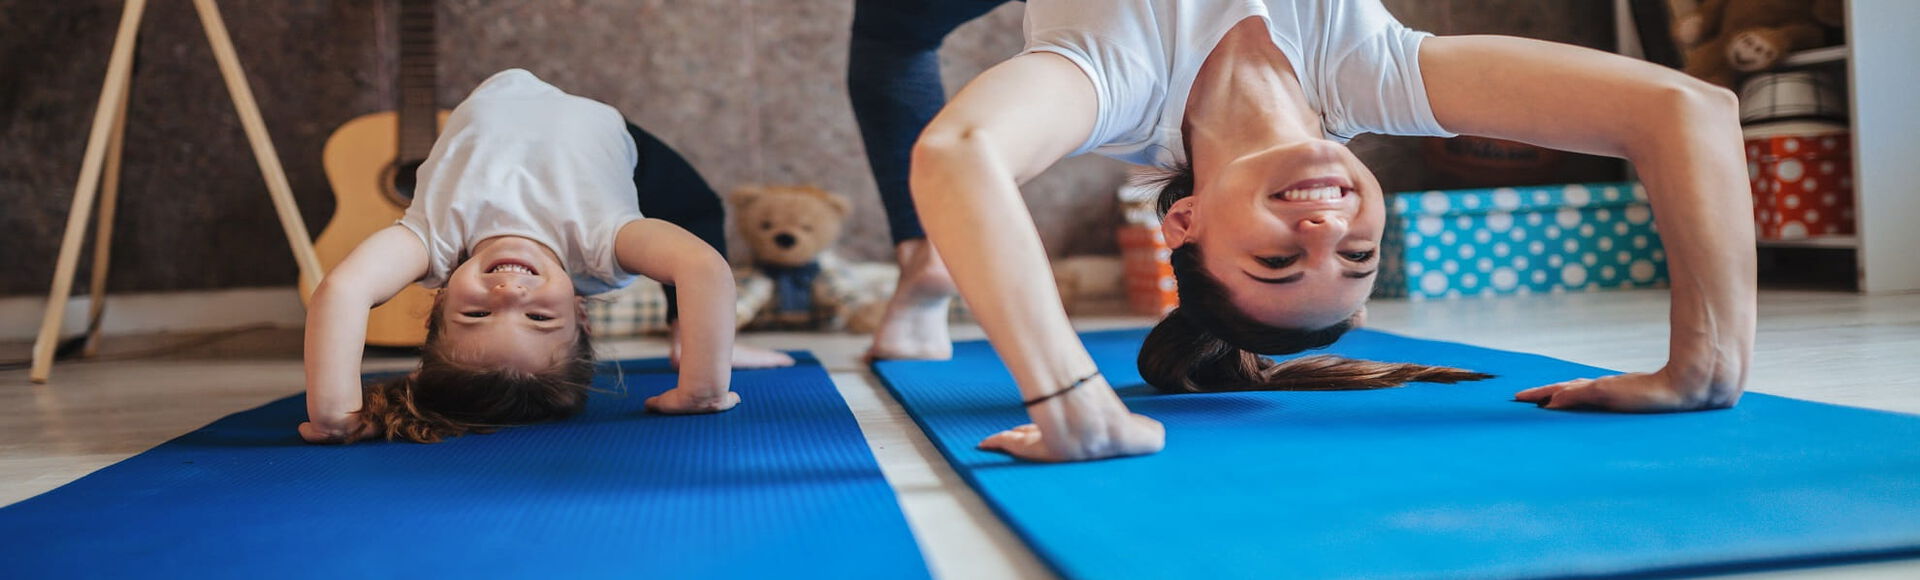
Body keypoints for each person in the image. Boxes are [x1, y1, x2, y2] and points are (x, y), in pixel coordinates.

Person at [855, 0, 1756, 462]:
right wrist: (1704, 369)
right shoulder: (1379, 75)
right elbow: (1689, 110)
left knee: (893, 42)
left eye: (1279, 258)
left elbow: (961, 148)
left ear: (1185, 220)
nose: (1327, 224)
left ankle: (927, 260)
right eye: (1357, 252)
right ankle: (936, 257)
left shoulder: (1113, 85)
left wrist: (1071, 401)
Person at [300, 69, 792, 444]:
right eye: (538, 316)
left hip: (494, 102)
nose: (509, 293)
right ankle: (694, 337)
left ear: (439, 301)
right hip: (598, 129)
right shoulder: (603, 247)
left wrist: (334, 410)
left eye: (476, 313)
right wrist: (703, 385)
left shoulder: (432, 243)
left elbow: (345, 289)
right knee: (696, 211)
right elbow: (703, 266)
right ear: (581, 311)